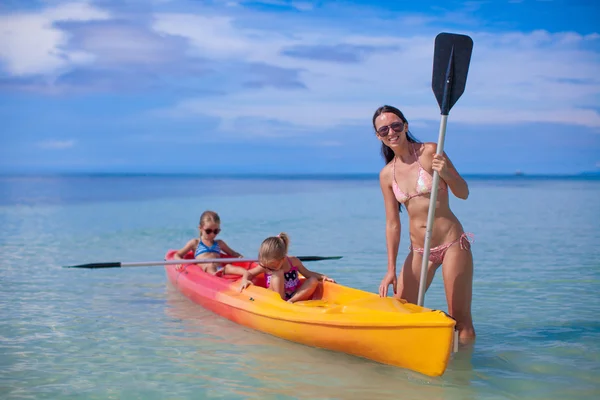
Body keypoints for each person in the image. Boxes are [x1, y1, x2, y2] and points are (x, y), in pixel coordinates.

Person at [372, 104, 476, 343]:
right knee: (402, 311)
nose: (391, 132)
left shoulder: (429, 151)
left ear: (405, 126)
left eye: (396, 125)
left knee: (460, 321)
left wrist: (447, 174)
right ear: (379, 136)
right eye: (384, 129)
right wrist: (390, 270)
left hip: (452, 243)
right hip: (419, 250)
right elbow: (392, 224)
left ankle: (465, 375)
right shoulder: (387, 174)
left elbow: (464, 192)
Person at [238, 233, 335, 303]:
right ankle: (281, 303)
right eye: (267, 266)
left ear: (283, 259)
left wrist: (323, 276)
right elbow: (248, 273)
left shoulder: (294, 261)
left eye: (272, 265)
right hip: (275, 295)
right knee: (278, 273)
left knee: (313, 280)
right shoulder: (266, 266)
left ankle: (291, 301)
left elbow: (308, 274)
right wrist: (244, 280)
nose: (270, 268)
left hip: (293, 295)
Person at [173, 210, 248, 276]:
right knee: (210, 265)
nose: (212, 234)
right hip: (206, 269)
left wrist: (241, 257)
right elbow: (177, 254)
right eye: (208, 231)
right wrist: (178, 261)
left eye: (215, 231)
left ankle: (248, 273)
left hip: (220, 269)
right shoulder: (195, 243)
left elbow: (233, 253)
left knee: (229, 267)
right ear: (200, 228)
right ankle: (215, 276)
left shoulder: (219, 243)